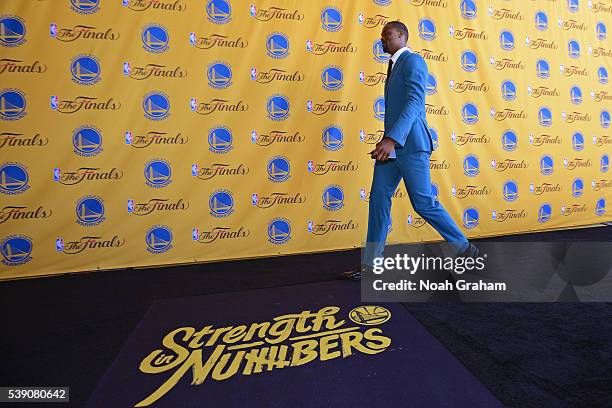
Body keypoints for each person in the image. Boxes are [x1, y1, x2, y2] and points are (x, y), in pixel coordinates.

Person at [342, 21, 477, 280]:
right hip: (392, 146)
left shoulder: (414, 61)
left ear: (402, 36)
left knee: (423, 203)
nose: (382, 39)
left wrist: (391, 139)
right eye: (381, 36)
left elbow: (416, 102)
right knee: (379, 199)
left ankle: (464, 248)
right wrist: (387, 141)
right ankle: (371, 265)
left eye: (388, 35)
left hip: (412, 145)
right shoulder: (393, 65)